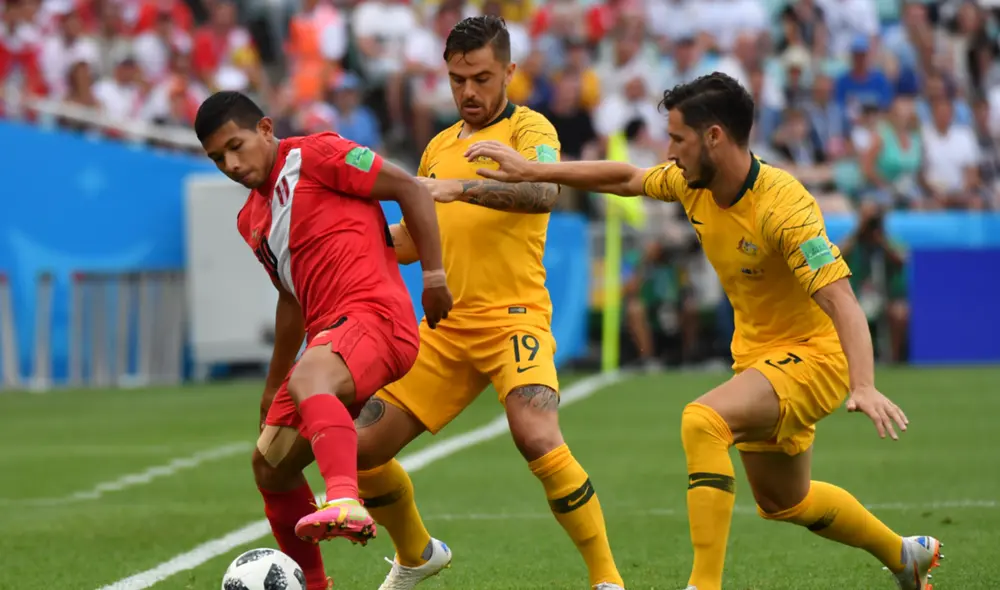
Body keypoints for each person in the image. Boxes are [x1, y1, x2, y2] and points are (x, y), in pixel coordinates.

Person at [462, 72, 943, 590]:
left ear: (714, 137)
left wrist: (864, 384)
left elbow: (842, 302)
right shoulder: (694, 184)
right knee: (786, 501)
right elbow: (625, 178)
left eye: (677, 139)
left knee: (702, 421)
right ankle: (904, 555)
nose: (669, 152)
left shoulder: (786, 206)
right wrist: (531, 170)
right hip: (759, 355)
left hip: (815, 356)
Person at [352, 15, 626, 590]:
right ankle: (417, 554)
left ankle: (607, 580)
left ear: (509, 72)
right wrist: (353, 239)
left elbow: (543, 191)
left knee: (536, 434)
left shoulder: (532, 129)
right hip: (446, 325)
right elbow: (411, 238)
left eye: (480, 77)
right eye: (457, 79)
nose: (468, 92)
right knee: (359, 449)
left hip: (514, 318)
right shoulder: (436, 147)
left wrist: (458, 188)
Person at [193, 90, 453, 590]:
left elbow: (411, 189)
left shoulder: (315, 154)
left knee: (312, 376)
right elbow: (291, 300)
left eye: (236, 146)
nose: (230, 163)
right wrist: (272, 384)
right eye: (217, 158)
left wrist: (434, 277)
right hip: (330, 338)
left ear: (266, 129)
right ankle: (315, 585)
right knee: (269, 465)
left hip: (378, 318)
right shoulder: (252, 220)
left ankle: (343, 498)